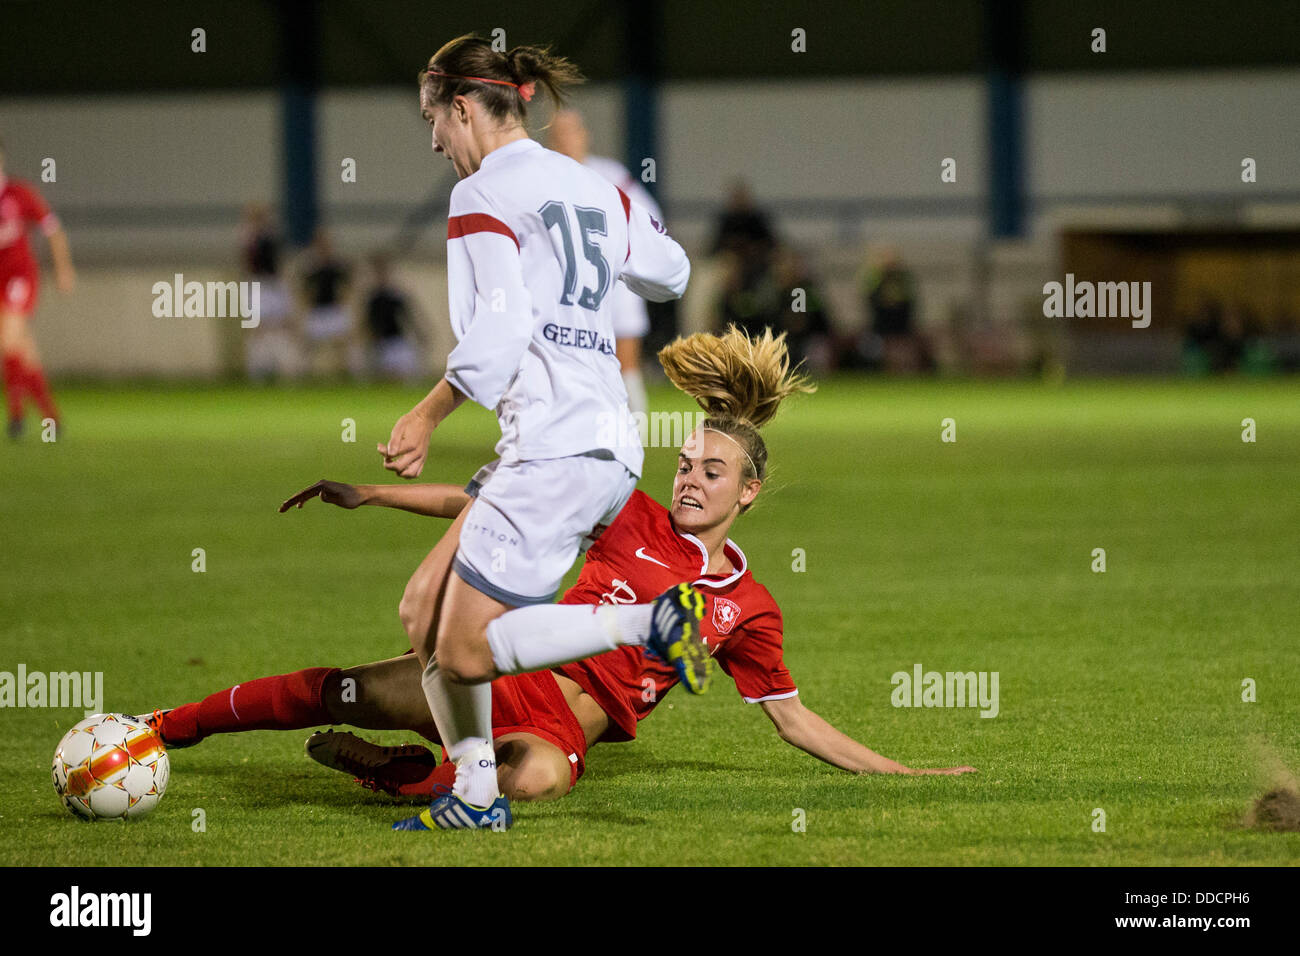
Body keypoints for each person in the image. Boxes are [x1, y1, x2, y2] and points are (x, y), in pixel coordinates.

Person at [143, 329, 976, 808]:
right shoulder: (624, 509)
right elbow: (502, 498)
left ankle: (401, 772)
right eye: (685, 463)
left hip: (565, 722)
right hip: (503, 658)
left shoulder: (748, 608)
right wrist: (370, 494)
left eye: (710, 472)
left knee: (535, 778)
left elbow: (795, 720)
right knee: (341, 688)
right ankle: (168, 725)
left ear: (748, 492)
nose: (688, 478)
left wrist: (907, 773)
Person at [378, 35, 700, 830]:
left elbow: (499, 329)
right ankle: (475, 792)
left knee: (459, 651)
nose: (432, 140)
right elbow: (673, 271)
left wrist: (426, 413)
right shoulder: (590, 186)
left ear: (461, 105)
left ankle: (647, 626)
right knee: (423, 609)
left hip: (552, 446)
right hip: (610, 443)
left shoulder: (481, 192)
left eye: (432, 119)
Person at [548, 108, 664, 419]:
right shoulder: (544, 178)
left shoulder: (610, 176)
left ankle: (633, 422)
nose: (565, 139)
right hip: (566, 286)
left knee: (625, 358)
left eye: (571, 131)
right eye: (558, 133)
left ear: (585, 135)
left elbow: (649, 219)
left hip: (613, 282)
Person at [0, 139, 75, 439]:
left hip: (20, 277)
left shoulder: (19, 193)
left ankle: (16, 416)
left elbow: (53, 230)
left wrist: (64, 268)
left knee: (7, 339)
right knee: (24, 350)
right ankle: (51, 418)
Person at [240, 203, 301, 382]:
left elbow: (280, 262)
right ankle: (257, 372)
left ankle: (288, 369)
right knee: (258, 328)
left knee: (284, 326)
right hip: (257, 283)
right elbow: (247, 263)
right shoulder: (247, 236)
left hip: (275, 283)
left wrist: (285, 286)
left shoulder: (273, 236)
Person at [362, 253, 425, 381]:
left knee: (406, 377)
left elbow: (409, 316)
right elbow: (367, 321)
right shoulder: (371, 297)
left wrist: (420, 333)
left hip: (398, 342)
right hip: (380, 344)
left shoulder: (396, 295)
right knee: (384, 380)